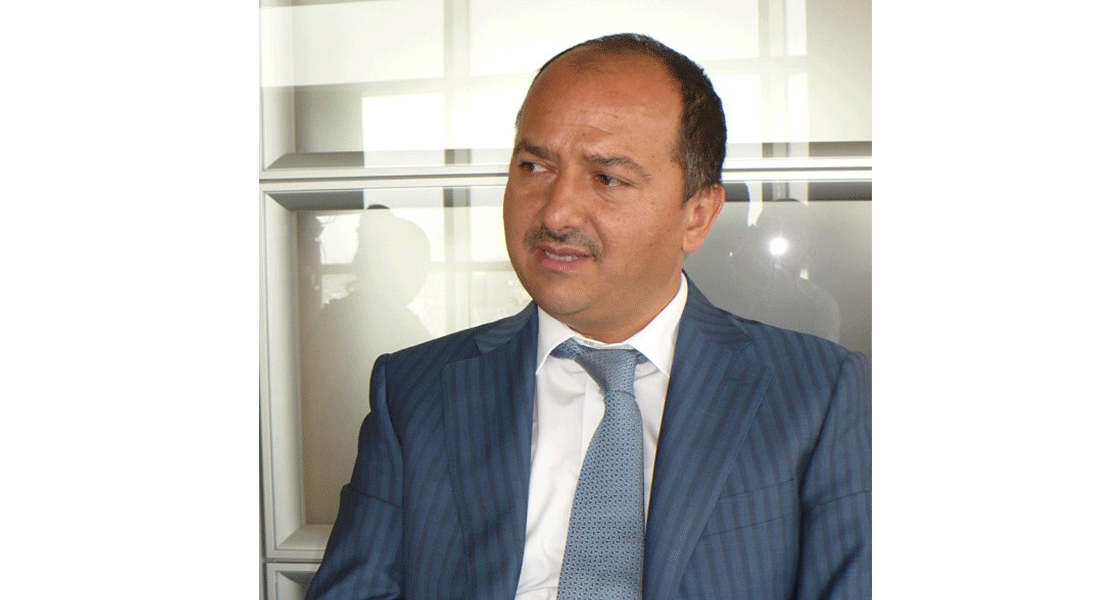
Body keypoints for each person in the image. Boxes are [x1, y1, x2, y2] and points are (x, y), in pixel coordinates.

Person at [304, 33, 870, 600]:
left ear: (697, 215)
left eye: (608, 178)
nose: (556, 212)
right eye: (534, 165)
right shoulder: (414, 391)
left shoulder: (819, 394)